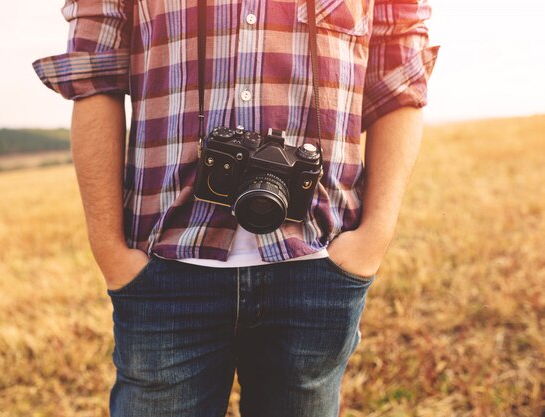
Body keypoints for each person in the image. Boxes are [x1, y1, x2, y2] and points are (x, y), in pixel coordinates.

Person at [33, 0, 438, 415]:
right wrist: (110, 251)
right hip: (164, 265)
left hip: (318, 263)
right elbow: (93, 77)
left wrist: (372, 239)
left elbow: (401, 80)